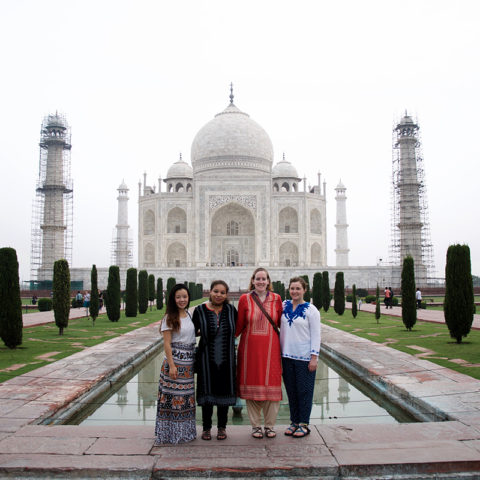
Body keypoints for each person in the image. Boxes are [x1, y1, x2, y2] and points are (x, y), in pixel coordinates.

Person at [236, 267, 283, 439]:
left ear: (268, 281)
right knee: (252, 385)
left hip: (271, 349)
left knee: (272, 384)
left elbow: (283, 326)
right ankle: (256, 426)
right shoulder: (244, 299)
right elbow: (239, 325)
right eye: (258, 279)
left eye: (264, 279)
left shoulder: (277, 299)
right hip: (250, 350)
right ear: (253, 280)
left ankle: (270, 426)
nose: (261, 282)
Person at [193, 280, 237, 441]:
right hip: (206, 359)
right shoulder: (199, 310)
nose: (219, 295)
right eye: (216, 291)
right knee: (207, 394)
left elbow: (239, 329)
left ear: (226, 295)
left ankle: (222, 428)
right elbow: (191, 331)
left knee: (224, 394)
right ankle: (206, 428)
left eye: (222, 292)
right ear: (210, 292)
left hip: (227, 359)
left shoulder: (232, 311)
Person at [154, 284, 196, 445]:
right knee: (172, 400)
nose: (182, 300)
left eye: (184, 297)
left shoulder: (188, 315)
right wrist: (172, 365)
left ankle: (184, 432)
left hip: (188, 364)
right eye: (178, 297)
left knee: (186, 400)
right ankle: (169, 434)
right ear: (173, 299)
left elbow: (191, 335)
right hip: (175, 364)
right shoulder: (169, 318)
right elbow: (166, 344)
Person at [280, 277, 321, 438]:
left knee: (304, 391)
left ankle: (304, 423)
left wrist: (314, 357)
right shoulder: (284, 306)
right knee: (291, 391)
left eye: (298, 288)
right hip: (286, 356)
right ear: (288, 290)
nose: (295, 291)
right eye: (292, 288)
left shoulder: (312, 310)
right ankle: (294, 422)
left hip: (304, 357)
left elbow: (316, 335)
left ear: (304, 290)